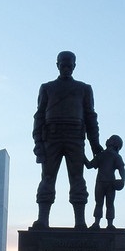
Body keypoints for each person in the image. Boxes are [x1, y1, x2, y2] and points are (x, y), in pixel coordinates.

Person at [32, 51, 103, 229]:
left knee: (77, 178)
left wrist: (95, 146)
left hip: (75, 137)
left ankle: (80, 221)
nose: (66, 68)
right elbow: (39, 116)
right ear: (57, 65)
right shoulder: (46, 88)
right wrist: (38, 143)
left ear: (74, 66)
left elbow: (90, 117)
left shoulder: (84, 89)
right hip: (52, 137)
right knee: (47, 178)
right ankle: (43, 220)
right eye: (63, 65)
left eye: (69, 65)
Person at [85, 134, 125, 229]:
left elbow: (89, 165)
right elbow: (121, 169)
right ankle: (108, 224)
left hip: (104, 183)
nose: (107, 140)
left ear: (114, 143)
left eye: (110, 139)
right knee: (108, 204)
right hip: (108, 183)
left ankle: (98, 223)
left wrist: (82, 155)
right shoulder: (108, 155)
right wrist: (123, 180)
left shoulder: (103, 155)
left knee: (100, 203)